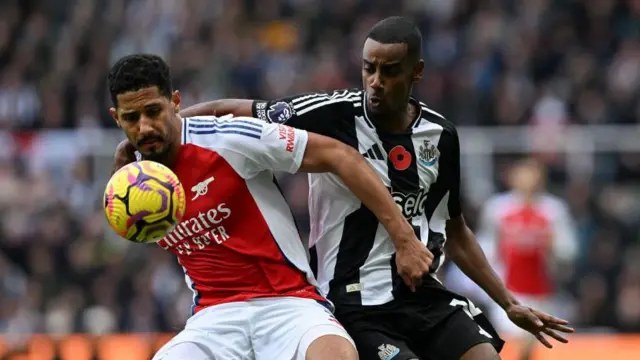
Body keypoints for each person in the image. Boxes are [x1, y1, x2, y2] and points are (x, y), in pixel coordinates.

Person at [113, 17, 574, 360]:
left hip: (412, 294)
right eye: (368, 68)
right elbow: (246, 108)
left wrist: (508, 303)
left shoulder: (441, 135)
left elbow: (454, 227)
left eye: (388, 71)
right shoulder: (330, 112)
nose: (375, 81)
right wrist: (172, 129)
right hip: (355, 298)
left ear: (416, 72)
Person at [107, 53, 434, 360]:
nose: (145, 127)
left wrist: (404, 240)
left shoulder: (226, 138)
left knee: (336, 355)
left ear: (175, 102)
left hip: (289, 303)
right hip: (213, 318)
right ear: (116, 119)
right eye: (131, 118)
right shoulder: (129, 189)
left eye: (153, 112)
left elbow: (340, 156)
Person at [475, 158, 577, 360]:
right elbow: (485, 246)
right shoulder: (497, 208)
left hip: (544, 291)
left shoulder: (554, 210)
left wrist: (553, 247)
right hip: (507, 289)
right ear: (512, 178)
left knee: (535, 344)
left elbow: (568, 250)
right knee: (512, 340)